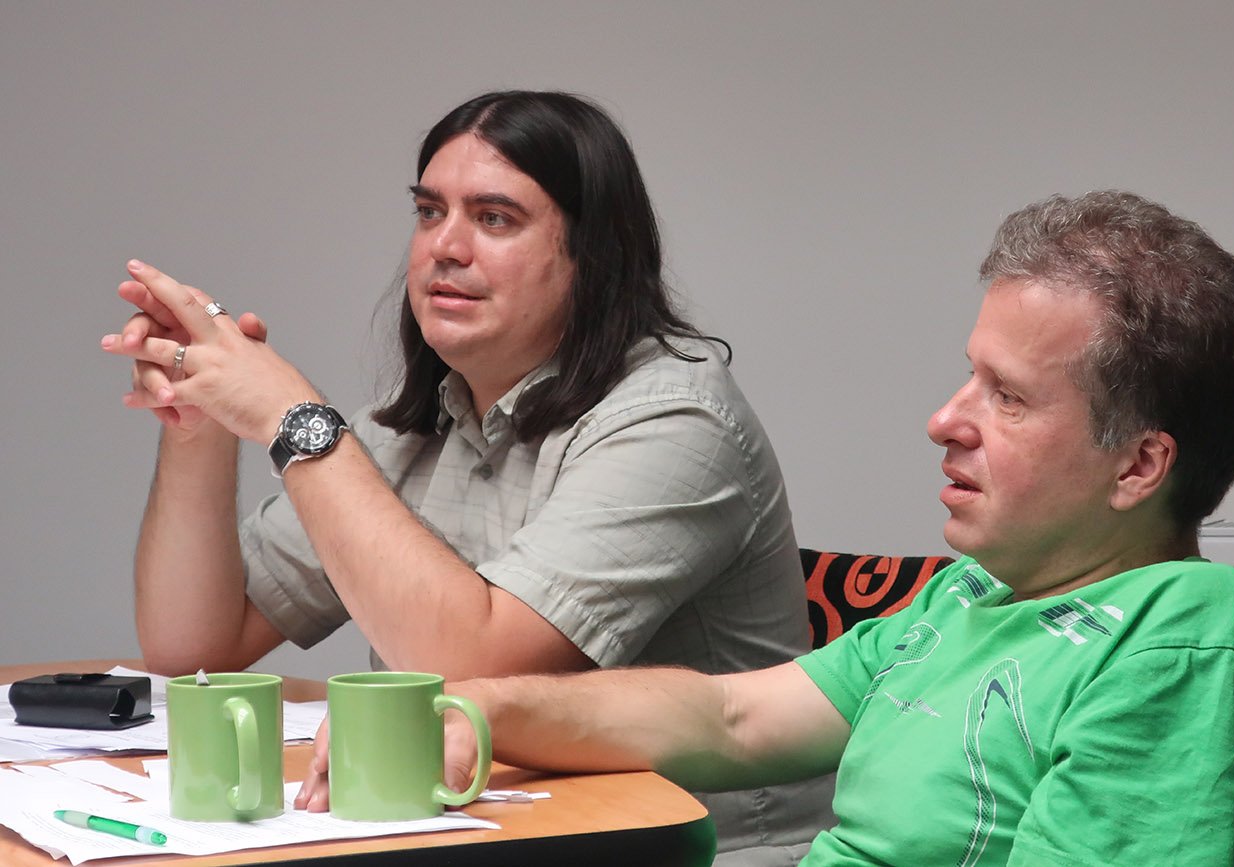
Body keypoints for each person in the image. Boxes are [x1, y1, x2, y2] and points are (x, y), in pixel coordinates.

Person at [407, 191, 1234, 865]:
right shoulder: (973, 595)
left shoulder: (1191, 641)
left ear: (1139, 466)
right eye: (971, 377)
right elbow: (731, 716)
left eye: (1009, 397)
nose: (944, 420)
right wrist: (485, 709)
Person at [102, 90, 833, 863]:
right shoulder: (411, 425)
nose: (444, 247)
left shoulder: (677, 421)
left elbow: (473, 678)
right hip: (489, 832)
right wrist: (203, 422)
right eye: (429, 212)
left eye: (494, 218)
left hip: (699, 850)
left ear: (592, 254)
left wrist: (295, 420)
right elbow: (192, 648)